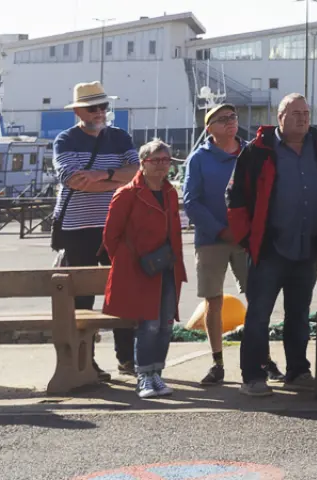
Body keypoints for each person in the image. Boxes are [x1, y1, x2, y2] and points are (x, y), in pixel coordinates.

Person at [226, 93, 317, 397]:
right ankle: (252, 376)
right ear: (280, 116)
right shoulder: (257, 151)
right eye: (295, 112)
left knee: (298, 314)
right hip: (269, 250)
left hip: (306, 247)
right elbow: (235, 198)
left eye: (306, 112)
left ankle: (297, 371)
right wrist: (249, 239)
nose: (302, 118)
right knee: (259, 314)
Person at [51, 81, 141, 378]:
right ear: (78, 111)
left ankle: (127, 359)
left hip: (118, 227)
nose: (101, 112)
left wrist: (102, 174)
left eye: (104, 106)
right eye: (94, 107)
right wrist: (117, 178)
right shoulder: (65, 140)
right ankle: (84, 361)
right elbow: (72, 179)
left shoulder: (120, 137)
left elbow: (136, 174)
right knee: (82, 299)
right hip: (78, 231)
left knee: (124, 293)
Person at [102, 140, 188, 399]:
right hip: (141, 269)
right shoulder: (127, 193)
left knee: (165, 325)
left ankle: (157, 374)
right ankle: (144, 377)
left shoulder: (171, 192)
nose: (163, 166)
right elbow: (111, 237)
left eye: (166, 160)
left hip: (167, 267)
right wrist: (130, 262)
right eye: (156, 160)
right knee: (148, 325)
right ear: (143, 163)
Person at [181, 104, 250, 386]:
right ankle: (217, 360)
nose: (230, 123)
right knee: (213, 299)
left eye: (232, 117)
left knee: (259, 296)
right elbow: (191, 201)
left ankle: (261, 358)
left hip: (247, 239)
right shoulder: (198, 159)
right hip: (212, 240)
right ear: (209, 128)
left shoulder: (251, 152)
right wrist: (220, 230)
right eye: (222, 120)